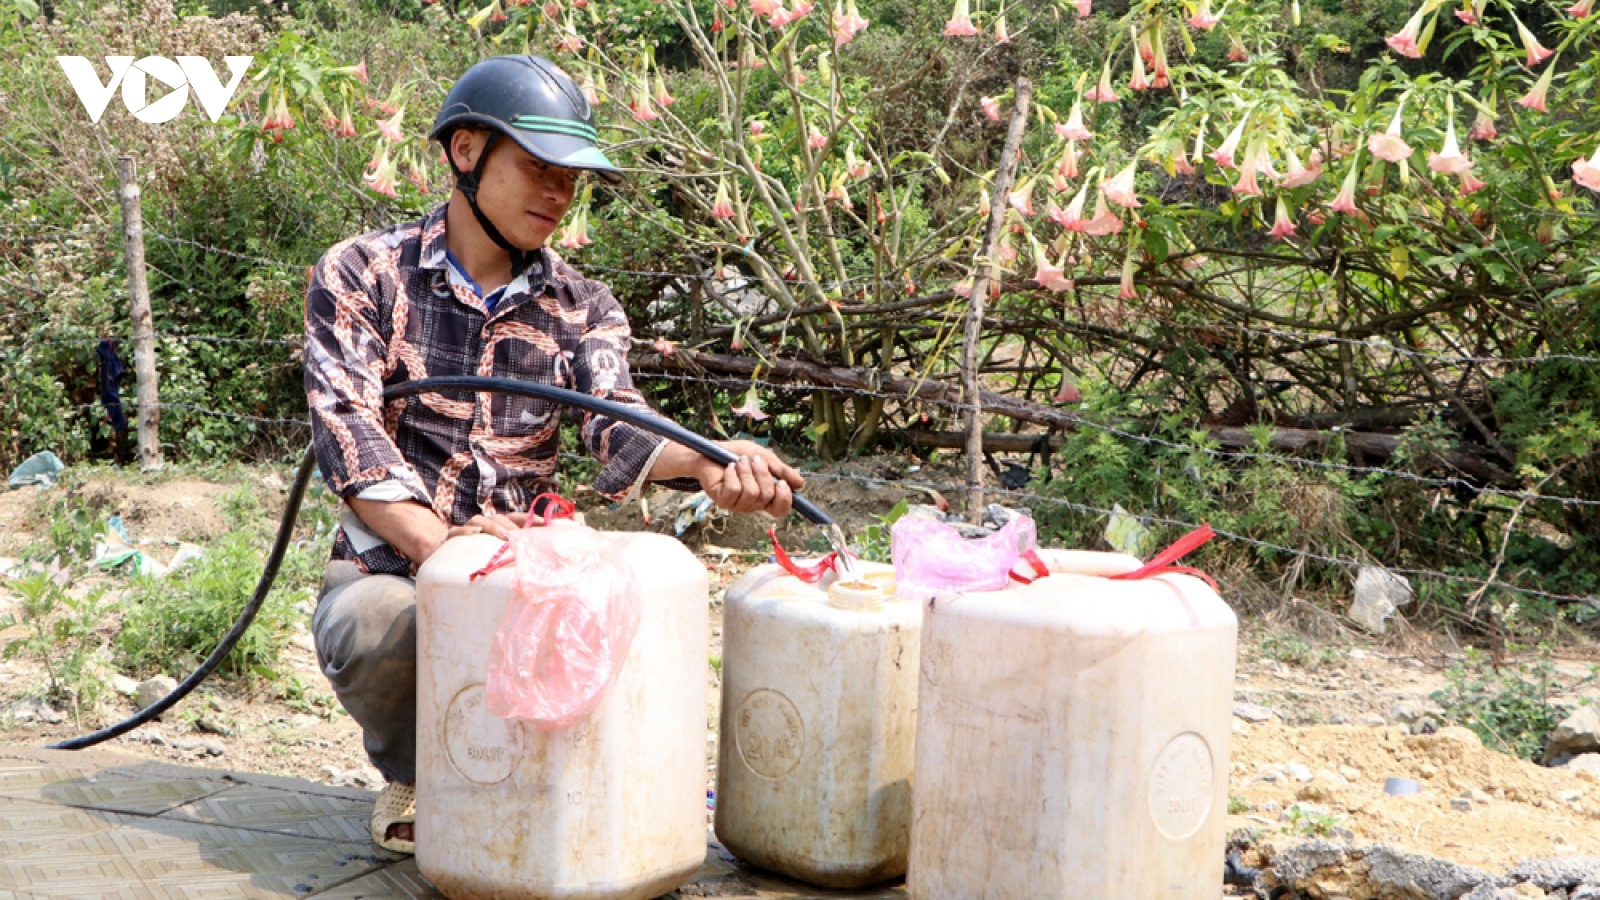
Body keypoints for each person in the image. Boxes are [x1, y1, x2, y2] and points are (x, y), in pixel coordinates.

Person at [301, 55, 804, 855]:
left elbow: (617, 417)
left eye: (570, 176)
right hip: (394, 562)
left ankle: (555, 780)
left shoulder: (581, 305)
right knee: (374, 630)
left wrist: (713, 463)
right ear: (466, 152)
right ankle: (419, 773)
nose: (558, 194)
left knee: (629, 613)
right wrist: (442, 549)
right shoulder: (363, 273)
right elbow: (350, 435)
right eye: (536, 166)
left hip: (527, 562)